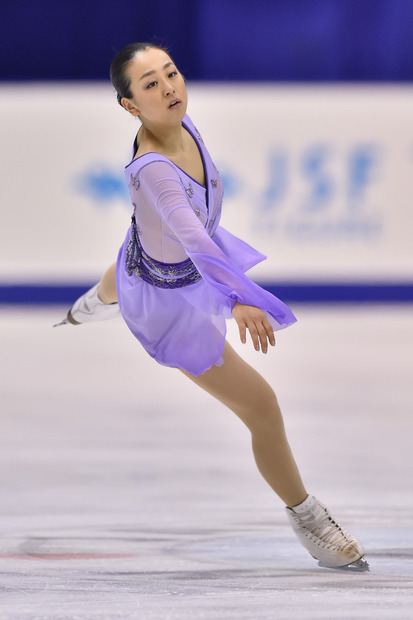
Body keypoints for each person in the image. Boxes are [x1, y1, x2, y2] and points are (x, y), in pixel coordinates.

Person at [56, 42, 368, 571]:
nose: (169, 88)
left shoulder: (184, 123)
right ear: (129, 106)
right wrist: (240, 297)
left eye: (171, 73)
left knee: (129, 262)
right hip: (172, 303)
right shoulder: (153, 169)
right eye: (150, 85)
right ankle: (308, 517)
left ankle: (91, 303)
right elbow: (196, 241)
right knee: (263, 408)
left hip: (155, 260)